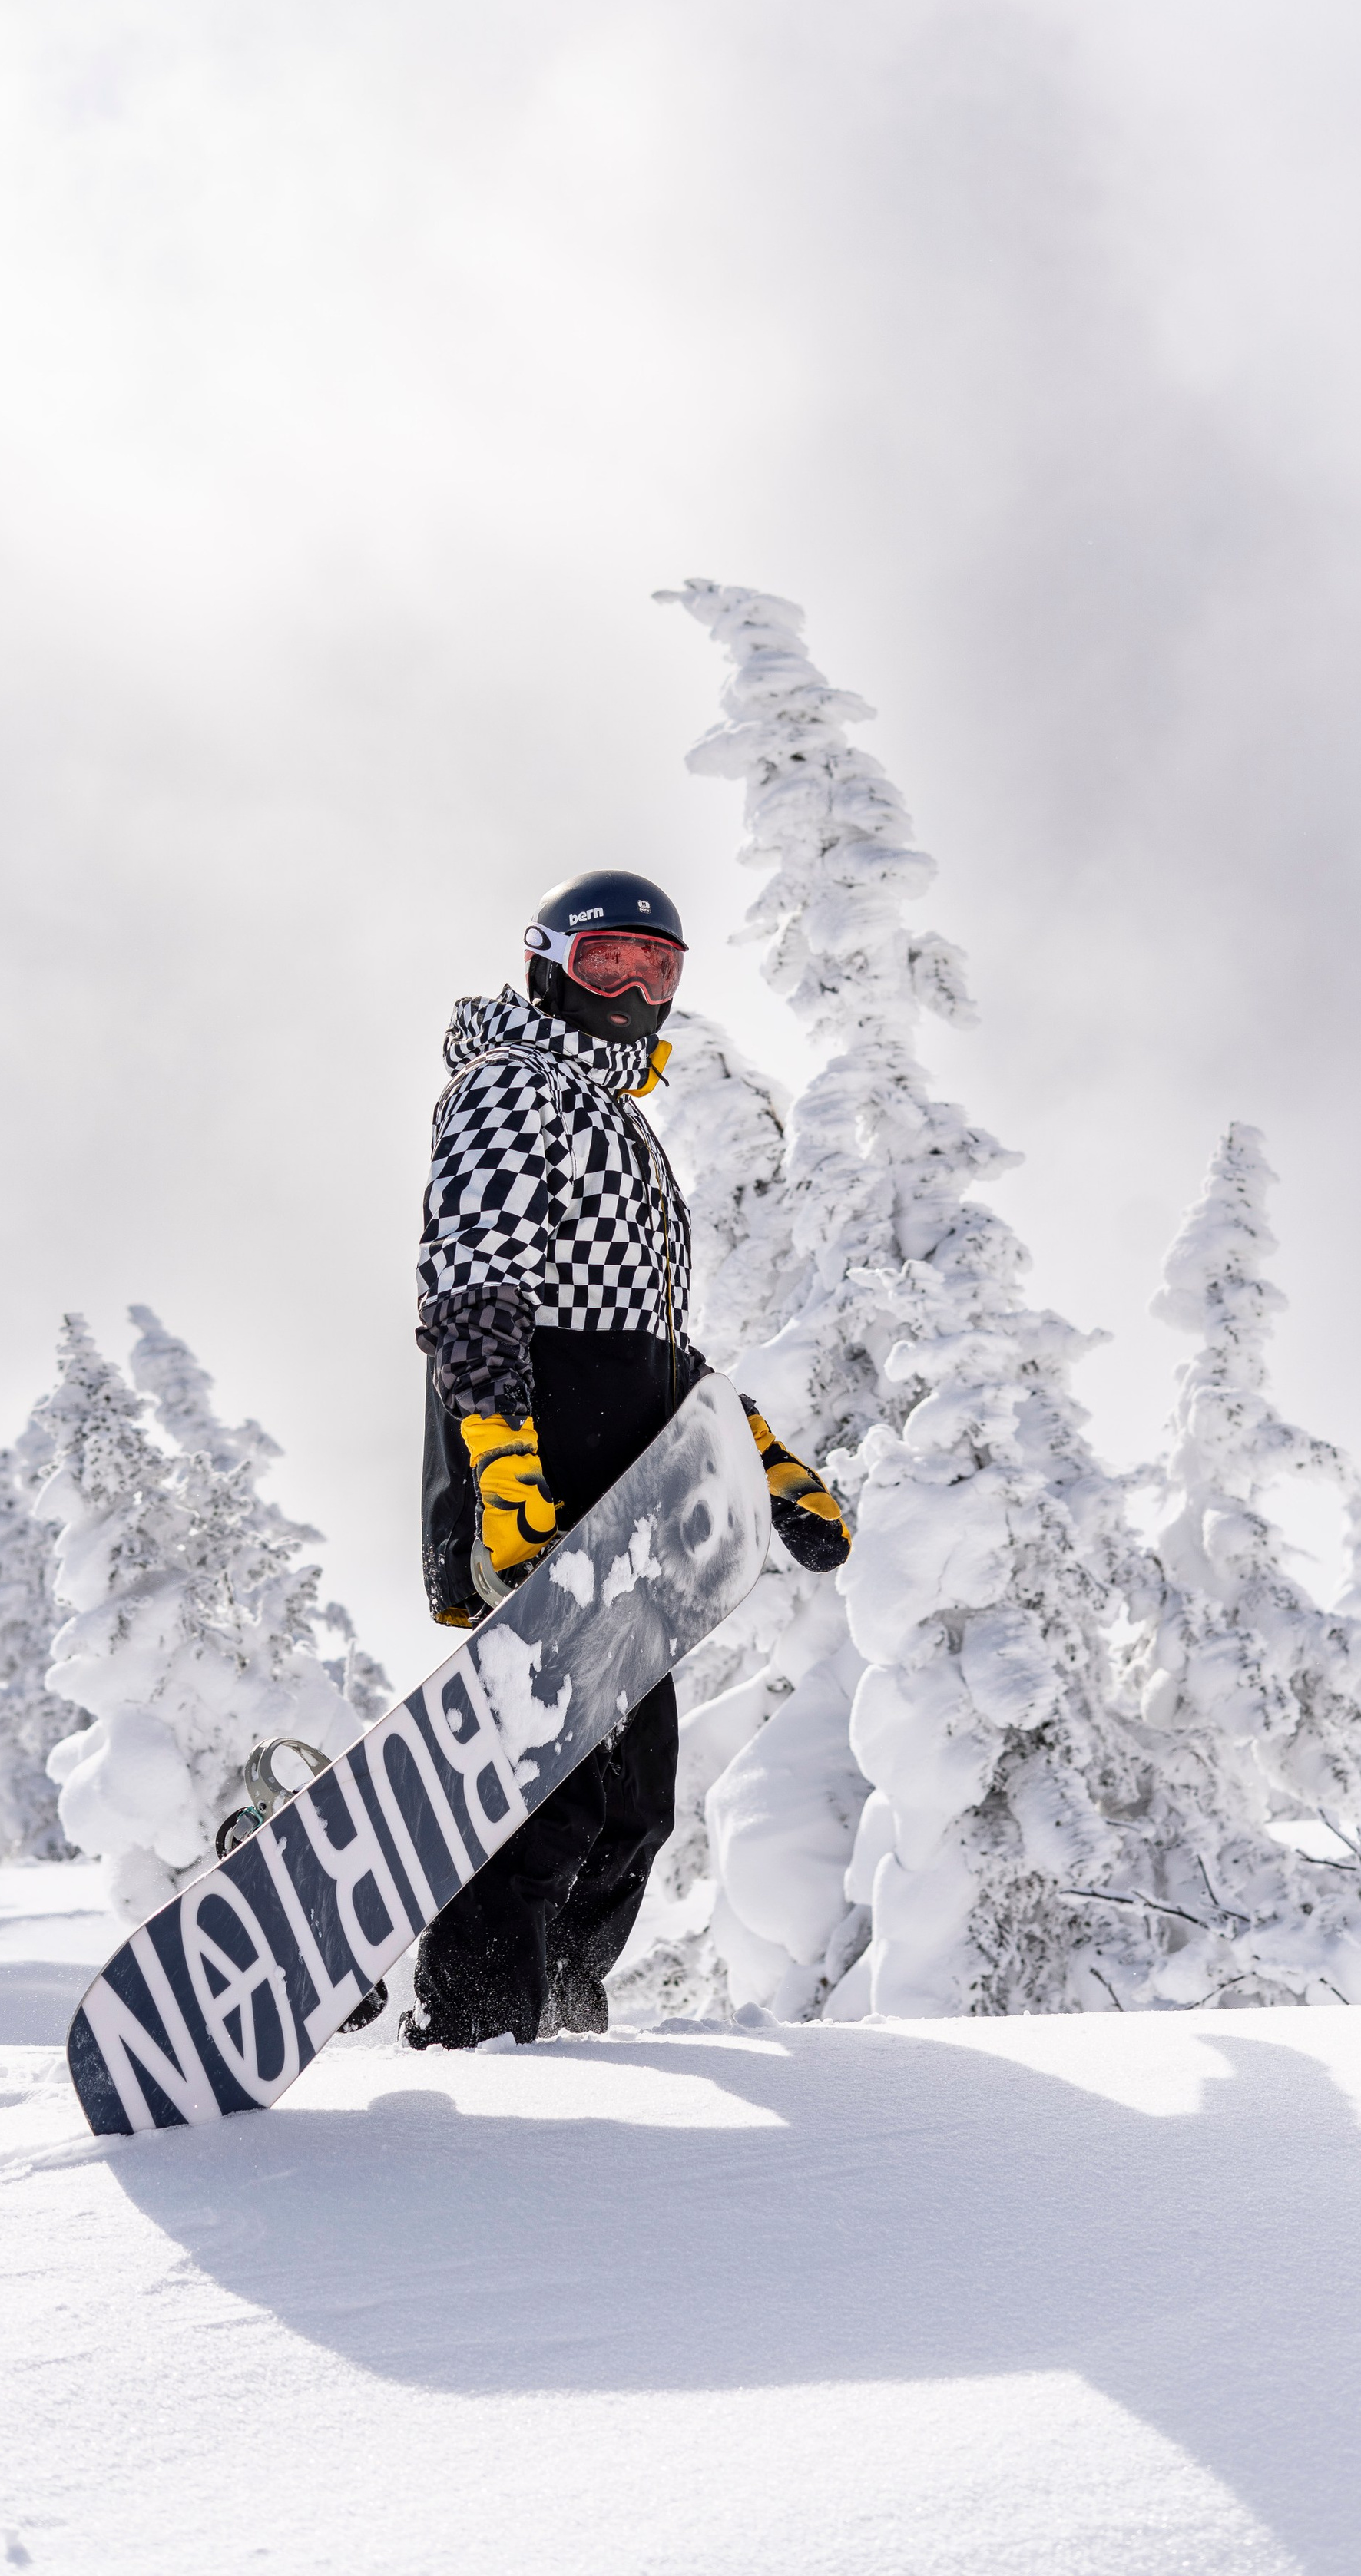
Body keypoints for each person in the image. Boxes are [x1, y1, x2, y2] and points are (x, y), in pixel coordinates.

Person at [406, 865, 851, 2049]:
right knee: (550, 1799)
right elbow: (471, 1286)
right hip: (545, 1489)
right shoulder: (516, 1085)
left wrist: (762, 1462)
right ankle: (477, 2032)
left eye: (659, 969)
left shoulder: (614, 1119)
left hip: (627, 1511)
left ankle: (557, 2029)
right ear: (548, 965)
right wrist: (506, 1474)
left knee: (629, 1808)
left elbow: (650, 1345)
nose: (635, 990)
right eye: (609, 962)